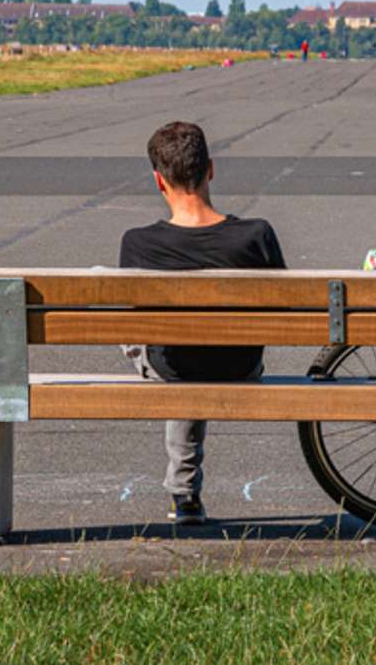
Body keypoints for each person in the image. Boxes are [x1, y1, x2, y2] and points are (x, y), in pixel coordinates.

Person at [119, 120, 285, 525]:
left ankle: (183, 493)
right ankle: (183, 491)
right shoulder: (256, 236)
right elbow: (285, 312)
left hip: (170, 366)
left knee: (162, 344)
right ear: (210, 169)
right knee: (194, 345)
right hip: (240, 365)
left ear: (159, 181)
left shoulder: (138, 244)